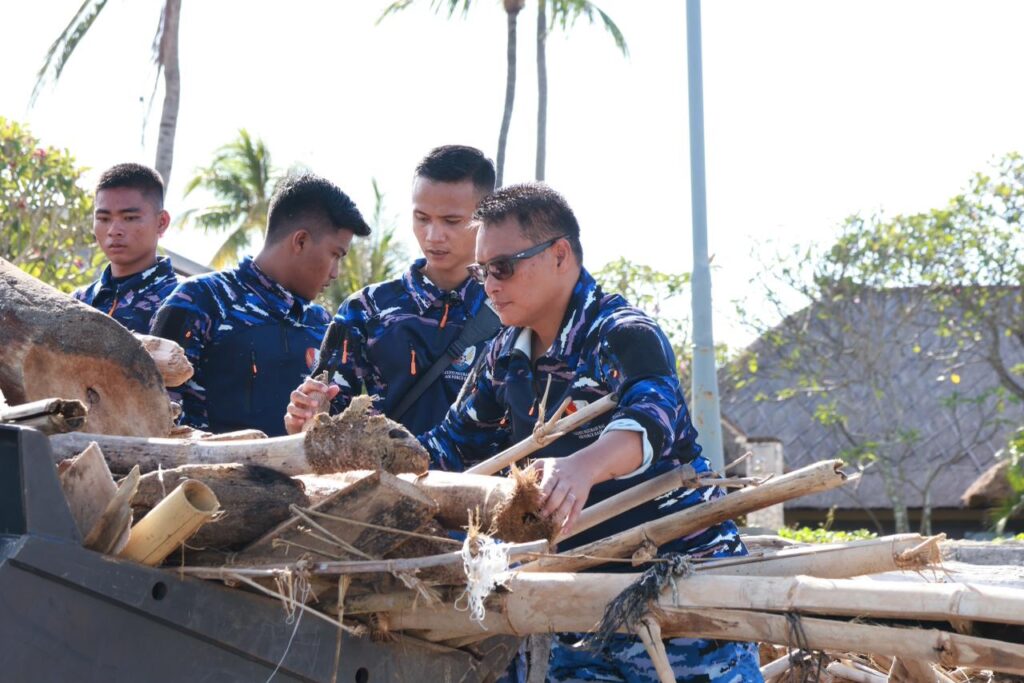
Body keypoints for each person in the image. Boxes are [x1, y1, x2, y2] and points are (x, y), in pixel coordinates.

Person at [419, 183, 763, 682]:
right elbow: (450, 448)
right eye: (481, 271)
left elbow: (653, 418)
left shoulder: (622, 332)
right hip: (575, 607)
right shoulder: (503, 357)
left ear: (559, 255)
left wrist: (583, 466)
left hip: (680, 598)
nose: (489, 284)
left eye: (502, 267)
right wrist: (359, 449)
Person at [284, 145, 499, 441]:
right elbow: (323, 421)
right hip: (386, 483)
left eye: (451, 221)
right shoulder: (365, 310)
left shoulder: (510, 307)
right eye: (422, 218)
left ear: (485, 217)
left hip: (487, 484)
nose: (433, 236)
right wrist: (307, 417)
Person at [150, 173, 370, 437]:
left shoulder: (322, 324)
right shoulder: (201, 300)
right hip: (202, 477)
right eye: (335, 255)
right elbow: (155, 414)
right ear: (300, 241)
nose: (335, 273)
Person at [73, 163, 179, 333]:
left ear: (161, 222)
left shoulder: (183, 300)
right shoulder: (78, 301)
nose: (114, 231)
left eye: (129, 218)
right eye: (104, 219)